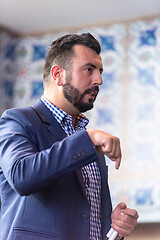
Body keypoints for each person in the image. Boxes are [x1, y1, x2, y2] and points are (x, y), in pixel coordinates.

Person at [0, 33, 138, 240]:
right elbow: (22, 176)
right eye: (88, 69)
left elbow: (86, 224)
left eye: (100, 71)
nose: (99, 80)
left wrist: (114, 230)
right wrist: (88, 139)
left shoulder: (87, 143)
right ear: (58, 75)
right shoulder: (17, 120)